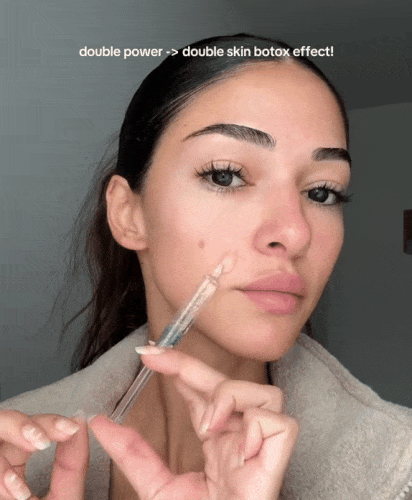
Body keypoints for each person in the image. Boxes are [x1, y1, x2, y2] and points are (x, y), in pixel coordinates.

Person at [1, 33, 412, 500]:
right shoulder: (18, 456)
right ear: (129, 214)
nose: (296, 232)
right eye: (226, 175)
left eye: (322, 192)